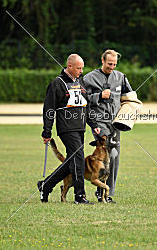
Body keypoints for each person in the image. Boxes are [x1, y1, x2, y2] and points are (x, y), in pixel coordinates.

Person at [39, 54, 100, 204]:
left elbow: (86, 106)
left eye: (82, 68)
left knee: (72, 161)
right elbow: (49, 109)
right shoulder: (57, 83)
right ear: (70, 66)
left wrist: (93, 124)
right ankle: (80, 196)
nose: (81, 71)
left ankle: (45, 185)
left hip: (80, 127)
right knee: (79, 158)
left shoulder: (80, 82)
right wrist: (47, 132)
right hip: (66, 128)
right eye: (79, 68)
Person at [83, 49, 133, 203]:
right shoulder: (89, 78)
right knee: (102, 157)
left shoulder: (121, 77)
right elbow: (82, 98)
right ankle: (101, 192)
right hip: (99, 122)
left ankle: (107, 193)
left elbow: (130, 97)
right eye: (109, 64)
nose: (112, 67)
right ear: (102, 61)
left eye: (114, 64)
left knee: (115, 157)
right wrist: (99, 96)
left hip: (115, 124)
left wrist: (131, 111)